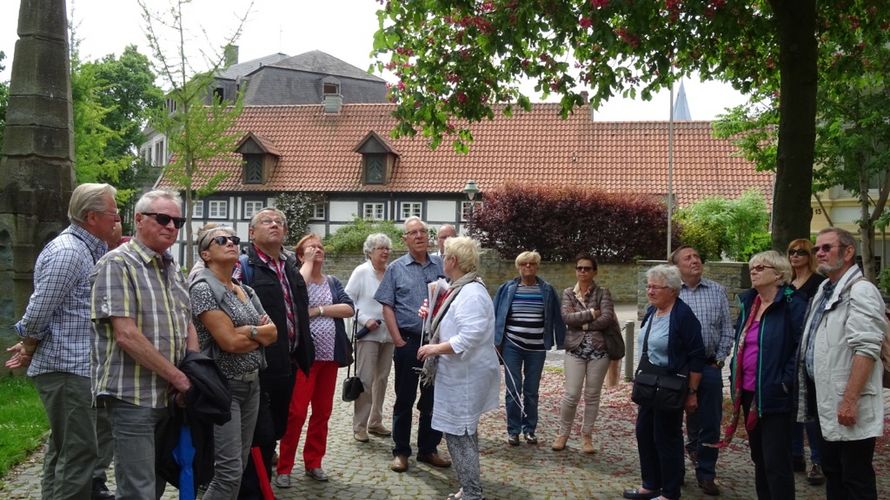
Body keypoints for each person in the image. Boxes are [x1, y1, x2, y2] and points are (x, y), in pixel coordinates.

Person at [5, 183, 118, 500]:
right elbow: (40, 308)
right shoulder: (69, 252)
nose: (117, 218)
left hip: (74, 367)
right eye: (113, 212)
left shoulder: (84, 249)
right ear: (92, 217)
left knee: (66, 449)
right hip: (67, 368)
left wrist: (31, 342)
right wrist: (28, 343)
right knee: (80, 452)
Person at [90, 189, 198, 498]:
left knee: (158, 482)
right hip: (132, 396)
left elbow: (186, 320)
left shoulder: (172, 268)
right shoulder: (117, 264)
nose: (171, 227)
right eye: (163, 218)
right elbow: (126, 335)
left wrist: (192, 370)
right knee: (138, 489)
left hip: (170, 396)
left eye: (178, 221)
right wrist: (179, 377)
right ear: (138, 219)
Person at [796, 227, 886, 499]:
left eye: (826, 248)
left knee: (855, 477)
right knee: (833, 472)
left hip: (848, 401)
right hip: (823, 398)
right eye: (817, 249)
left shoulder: (861, 291)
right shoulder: (825, 287)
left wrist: (849, 400)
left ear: (848, 253)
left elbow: (867, 348)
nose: (819, 253)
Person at [190, 225, 278, 498]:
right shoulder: (203, 288)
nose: (231, 243)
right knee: (227, 472)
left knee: (237, 466)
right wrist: (256, 332)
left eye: (234, 239)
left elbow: (273, 333)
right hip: (223, 387)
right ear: (206, 253)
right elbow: (228, 342)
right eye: (221, 240)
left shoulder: (244, 289)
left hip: (251, 384)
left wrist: (247, 332)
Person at [235, 208, 313, 497]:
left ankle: (260, 479)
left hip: (289, 362)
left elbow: (299, 311)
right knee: (260, 431)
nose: (275, 225)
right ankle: (253, 489)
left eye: (279, 222)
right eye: (267, 222)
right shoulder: (244, 266)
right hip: (260, 363)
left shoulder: (290, 265)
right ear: (252, 233)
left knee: (278, 426)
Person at [417, 236, 500, 500]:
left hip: (465, 376)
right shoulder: (459, 288)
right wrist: (430, 316)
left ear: (453, 260)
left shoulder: (472, 292)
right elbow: (449, 321)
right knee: (460, 433)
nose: (441, 259)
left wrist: (434, 348)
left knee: (459, 434)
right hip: (458, 374)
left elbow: (470, 336)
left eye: (444, 255)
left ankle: (473, 493)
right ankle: (469, 487)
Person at [723, 251, 806, 499]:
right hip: (748, 392)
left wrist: (784, 382)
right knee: (759, 457)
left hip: (775, 394)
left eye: (761, 267)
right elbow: (741, 343)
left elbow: (800, 348)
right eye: (752, 267)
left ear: (779, 274)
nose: (754, 271)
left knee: (776, 461)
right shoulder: (750, 302)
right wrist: (732, 377)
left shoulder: (793, 304)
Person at [275, 234, 354, 485]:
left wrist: (318, 311)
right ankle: (285, 467)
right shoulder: (296, 279)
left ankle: (314, 462)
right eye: (312, 247)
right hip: (303, 359)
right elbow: (297, 297)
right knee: (296, 413)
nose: (318, 250)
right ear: (300, 255)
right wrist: (306, 265)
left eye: (320, 247)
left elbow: (348, 308)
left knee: (322, 413)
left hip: (329, 358)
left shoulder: (332, 282)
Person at [375, 216, 451, 473]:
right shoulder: (396, 268)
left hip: (436, 342)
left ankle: (428, 449)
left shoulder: (442, 265)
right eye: (412, 232)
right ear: (404, 239)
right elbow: (387, 306)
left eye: (422, 231)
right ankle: (401, 451)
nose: (419, 235)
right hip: (407, 341)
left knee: (433, 399)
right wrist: (397, 339)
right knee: (404, 398)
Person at [624, 264, 704, 500]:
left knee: (666, 437)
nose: (650, 291)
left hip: (670, 387)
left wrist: (692, 392)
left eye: (655, 287)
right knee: (644, 432)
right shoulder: (652, 312)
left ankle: (670, 492)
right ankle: (650, 484)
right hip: (650, 384)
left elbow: (697, 355)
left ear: (672, 290)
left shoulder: (683, 316)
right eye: (648, 286)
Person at [671, 245, 733, 496]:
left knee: (710, 423)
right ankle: (675, 472)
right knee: (673, 421)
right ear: (676, 267)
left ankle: (706, 473)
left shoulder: (717, 291)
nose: (695, 260)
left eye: (697, 256)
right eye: (688, 258)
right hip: (677, 369)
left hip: (708, 367)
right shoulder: (672, 293)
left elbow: (727, 329)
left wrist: (718, 361)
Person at [493, 250, 564, 447]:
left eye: (532, 264)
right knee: (513, 389)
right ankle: (513, 431)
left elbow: (557, 317)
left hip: (537, 348)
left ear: (537, 267)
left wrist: (561, 341)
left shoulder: (547, 290)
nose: (528, 267)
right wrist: (495, 341)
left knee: (532, 391)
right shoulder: (506, 288)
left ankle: (530, 430)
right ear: (518, 267)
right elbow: (495, 314)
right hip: (512, 346)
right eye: (524, 264)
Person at [552, 253, 614, 454]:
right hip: (575, 350)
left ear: (594, 271)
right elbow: (567, 318)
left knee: (592, 395)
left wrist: (583, 323)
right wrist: (590, 314)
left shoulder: (603, 292)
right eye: (580, 268)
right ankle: (563, 433)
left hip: (599, 351)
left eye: (587, 268)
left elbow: (606, 319)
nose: (583, 271)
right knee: (571, 395)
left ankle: (587, 435)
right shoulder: (569, 293)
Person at [345, 233, 395, 443]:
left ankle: (375, 421)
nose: (384, 252)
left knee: (382, 379)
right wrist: (365, 319)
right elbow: (347, 299)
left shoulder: (391, 272)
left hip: (388, 334)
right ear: (370, 251)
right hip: (368, 334)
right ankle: (360, 425)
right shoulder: (362, 272)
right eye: (380, 248)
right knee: (365, 379)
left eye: (387, 249)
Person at [786, 238, 826, 485]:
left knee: (810, 409)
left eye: (801, 252)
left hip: (809, 351)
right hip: (789, 350)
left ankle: (818, 461)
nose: (796, 256)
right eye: (791, 252)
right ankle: (795, 455)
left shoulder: (819, 283)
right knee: (790, 408)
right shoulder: (788, 284)